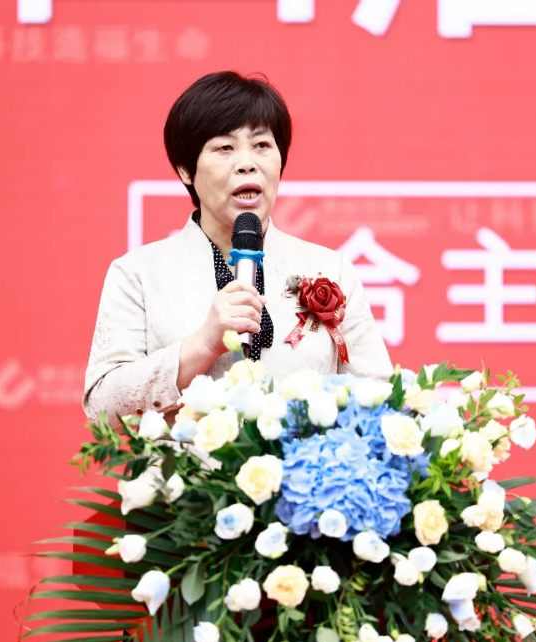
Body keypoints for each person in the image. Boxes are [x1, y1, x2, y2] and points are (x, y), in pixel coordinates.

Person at [83, 71, 393, 428]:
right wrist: (202, 346)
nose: (247, 163)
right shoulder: (137, 274)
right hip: (183, 466)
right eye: (224, 148)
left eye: (261, 145)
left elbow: (378, 398)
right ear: (185, 170)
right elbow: (102, 409)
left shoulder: (329, 269)